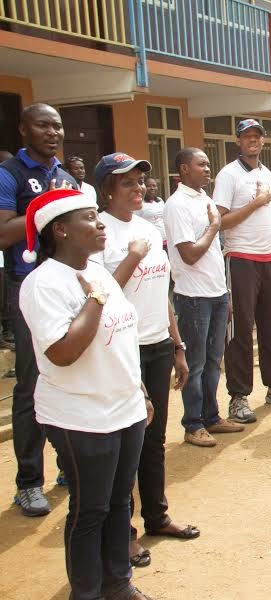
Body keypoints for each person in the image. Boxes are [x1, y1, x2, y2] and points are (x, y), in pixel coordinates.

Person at [19, 187, 155, 600]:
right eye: (89, 218)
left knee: (118, 504)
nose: (100, 224)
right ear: (60, 230)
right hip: (80, 417)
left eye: (98, 216)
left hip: (125, 408)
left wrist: (141, 391)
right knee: (90, 509)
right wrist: (95, 298)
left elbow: (124, 338)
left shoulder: (96, 270)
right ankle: (87, 592)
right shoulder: (43, 283)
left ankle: (118, 585)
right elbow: (63, 351)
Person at [90, 152, 202, 569]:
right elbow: (100, 298)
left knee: (153, 441)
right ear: (107, 190)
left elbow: (163, 293)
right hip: (122, 349)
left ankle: (157, 516)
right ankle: (125, 535)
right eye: (127, 183)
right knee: (126, 446)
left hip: (156, 344)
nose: (138, 188)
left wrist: (177, 346)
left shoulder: (147, 227)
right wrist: (131, 257)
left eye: (140, 181)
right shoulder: (99, 234)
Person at [0, 103, 78, 516]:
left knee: (70, 375)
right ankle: (29, 482)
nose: (53, 132)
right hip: (27, 286)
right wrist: (45, 207)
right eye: (43, 125)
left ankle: (70, 464)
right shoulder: (10, 174)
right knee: (31, 386)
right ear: (23, 129)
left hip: (67, 285)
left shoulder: (65, 177)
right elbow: (2, 232)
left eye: (58, 126)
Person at [214, 118, 271, 423]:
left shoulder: (266, 173)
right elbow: (220, 222)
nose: (252, 141)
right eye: (246, 137)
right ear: (238, 141)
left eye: (257, 136)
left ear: (264, 141)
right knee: (241, 330)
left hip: (270, 258)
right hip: (240, 258)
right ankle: (238, 397)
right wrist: (254, 205)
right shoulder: (228, 175)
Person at [165, 148, 246, 445]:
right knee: (195, 364)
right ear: (184, 169)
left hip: (215, 294)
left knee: (214, 361)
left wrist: (225, 293)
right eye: (201, 165)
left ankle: (212, 417)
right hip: (193, 297)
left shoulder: (205, 199)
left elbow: (212, 254)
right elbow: (189, 254)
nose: (208, 169)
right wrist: (214, 226)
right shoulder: (176, 206)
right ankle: (193, 424)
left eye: (209, 165)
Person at [136, 177, 167, 250]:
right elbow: (136, 223)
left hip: (165, 238)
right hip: (150, 240)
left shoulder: (160, 201)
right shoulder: (140, 203)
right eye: (149, 186)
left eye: (154, 185)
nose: (152, 188)